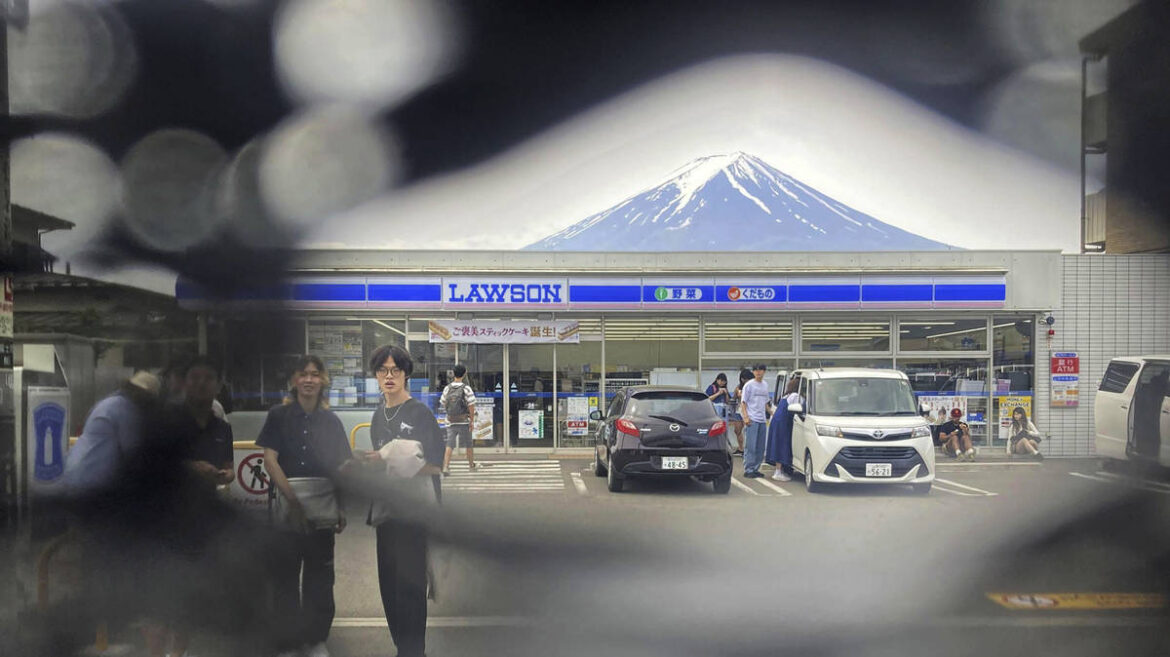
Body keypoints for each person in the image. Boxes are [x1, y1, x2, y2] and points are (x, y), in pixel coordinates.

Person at [256, 355, 353, 657]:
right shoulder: (278, 415)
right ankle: (287, 641)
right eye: (303, 374)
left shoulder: (332, 421)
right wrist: (293, 500)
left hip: (323, 509)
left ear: (323, 380)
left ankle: (314, 640)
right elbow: (270, 459)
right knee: (284, 578)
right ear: (294, 381)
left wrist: (341, 506)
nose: (309, 379)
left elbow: (340, 465)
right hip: (287, 506)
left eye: (315, 374)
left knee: (320, 579)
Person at [361, 345, 445, 657]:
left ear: (406, 374)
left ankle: (412, 652)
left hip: (414, 514)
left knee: (409, 591)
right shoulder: (377, 415)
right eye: (383, 370)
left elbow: (436, 463)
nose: (389, 376)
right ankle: (404, 648)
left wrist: (391, 461)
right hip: (386, 513)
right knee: (390, 590)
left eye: (396, 370)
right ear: (375, 376)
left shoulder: (420, 414)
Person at [439, 364, 477, 475]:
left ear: (453, 374)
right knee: (468, 444)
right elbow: (471, 405)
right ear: (464, 374)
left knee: (450, 444)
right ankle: (471, 465)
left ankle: (446, 466)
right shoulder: (466, 388)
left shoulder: (447, 388)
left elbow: (443, 402)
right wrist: (471, 420)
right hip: (464, 421)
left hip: (451, 421)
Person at [739, 364, 773, 479]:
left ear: (764, 372)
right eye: (756, 370)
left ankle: (756, 468)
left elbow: (766, 403)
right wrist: (746, 417)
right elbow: (743, 402)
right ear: (753, 372)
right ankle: (748, 469)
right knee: (751, 446)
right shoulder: (749, 385)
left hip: (762, 419)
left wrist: (773, 413)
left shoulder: (765, 385)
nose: (758, 372)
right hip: (752, 419)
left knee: (760, 446)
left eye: (761, 370)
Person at [765, 378, 801, 481]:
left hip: (777, 421)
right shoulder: (795, 396)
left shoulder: (785, 396)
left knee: (777, 444)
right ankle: (778, 471)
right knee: (781, 445)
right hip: (783, 423)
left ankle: (780, 470)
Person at [727, 369, 753, 456]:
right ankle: (741, 448)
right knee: (737, 430)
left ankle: (748, 449)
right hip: (739, 411)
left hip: (749, 411)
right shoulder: (738, 388)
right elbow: (733, 399)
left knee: (749, 431)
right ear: (742, 379)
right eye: (747, 379)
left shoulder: (753, 386)